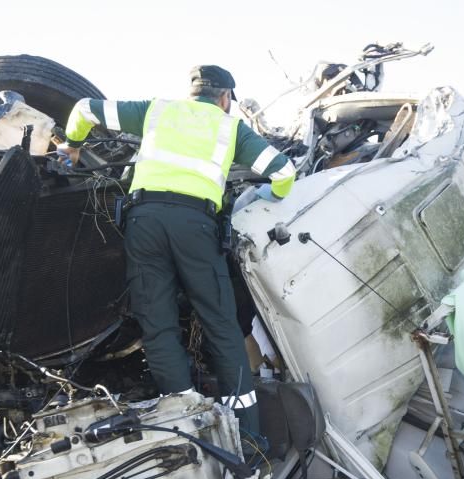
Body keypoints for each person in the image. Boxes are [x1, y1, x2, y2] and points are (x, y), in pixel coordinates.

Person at [62, 65, 295, 433]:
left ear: (192, 93)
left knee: (158, 327)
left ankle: (188, 421)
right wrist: (267, 193)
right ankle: (247, 434)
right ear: (224, 98)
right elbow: (284, 172)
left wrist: (73, 146)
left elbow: (84, 109)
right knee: (221, 326)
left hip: (145, 224)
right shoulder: (230, 127)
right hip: (196, 228)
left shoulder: (156, 111)